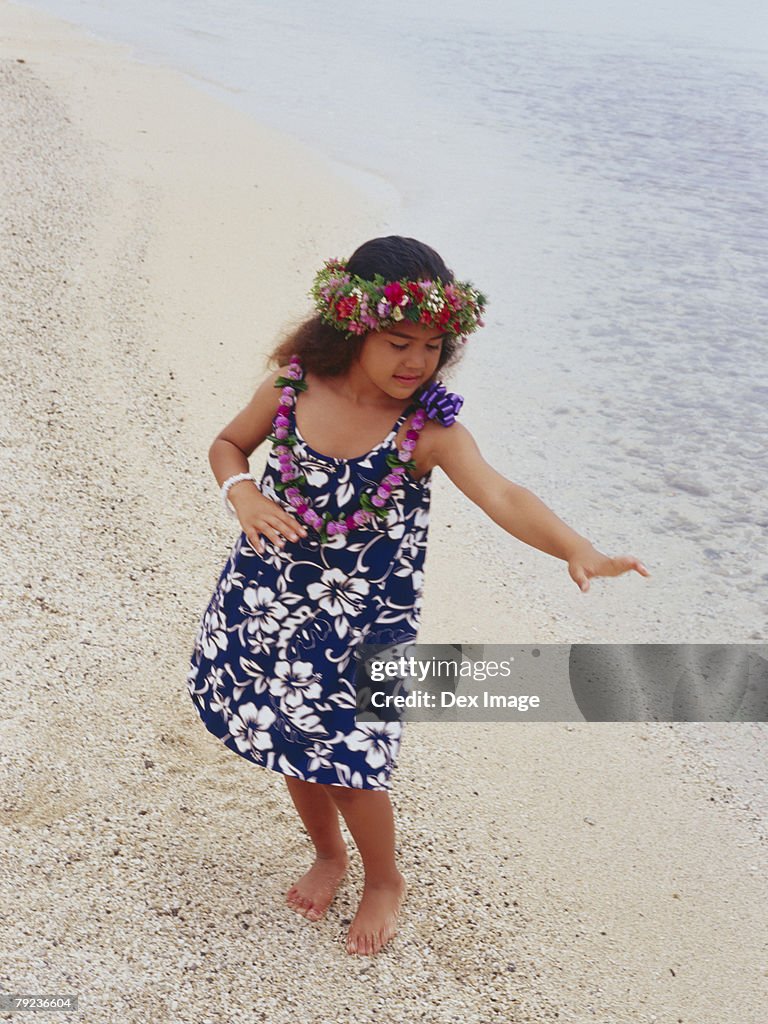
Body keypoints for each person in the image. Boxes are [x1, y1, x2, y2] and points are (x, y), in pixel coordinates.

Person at [185, 235, 650, 957]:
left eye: (434, 345)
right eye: (399, 341)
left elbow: (502, 494)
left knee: (352, 766)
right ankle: (328, 854)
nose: (417, 361)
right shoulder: (292, 388)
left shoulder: (427, 430)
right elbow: (226, 445)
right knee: (288, 739)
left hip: (362, 627)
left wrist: (575, 549)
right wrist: (240, 494)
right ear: (351, 326)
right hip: (267, 599)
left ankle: (382, 877)